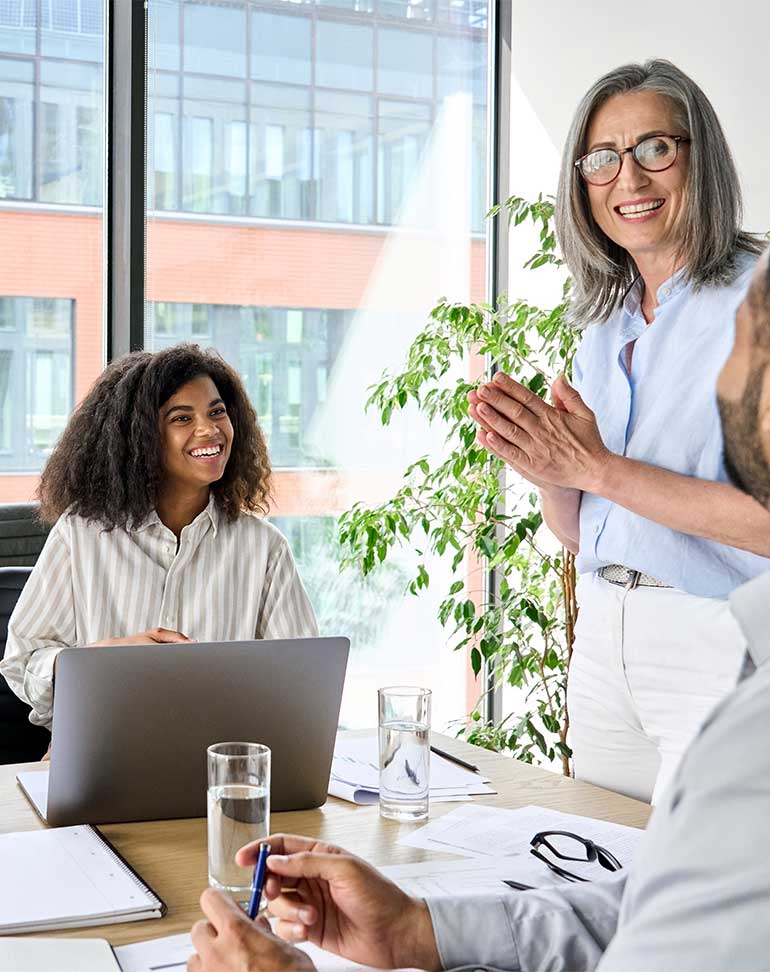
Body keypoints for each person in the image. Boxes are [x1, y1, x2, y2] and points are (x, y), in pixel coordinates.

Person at [185, 249, 770, 972]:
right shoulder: (606, 323)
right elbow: (648, 904)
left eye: (739, 339)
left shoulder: (752, 734)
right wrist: (415, 931)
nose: (722, 377)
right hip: (612, 629)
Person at [468, 59, 769, 803]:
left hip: (718, 642)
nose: (628, 179)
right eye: (604, 158)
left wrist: (597, 468)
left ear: (701, 159)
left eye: (655, 150)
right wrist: (549, 468)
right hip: (604, 638)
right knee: (599, 877)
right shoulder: (603, 321)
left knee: (698, 908)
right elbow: (586, 533)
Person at [0, 344, 318, 732]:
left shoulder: (265, 548)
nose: (209, 429)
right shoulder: (81, 533)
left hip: (218, 760)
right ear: (140, 438)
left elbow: (304, 684)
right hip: (103, 754)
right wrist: (97, 660)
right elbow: (22, 660)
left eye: (217, 411)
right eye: (182, 418)